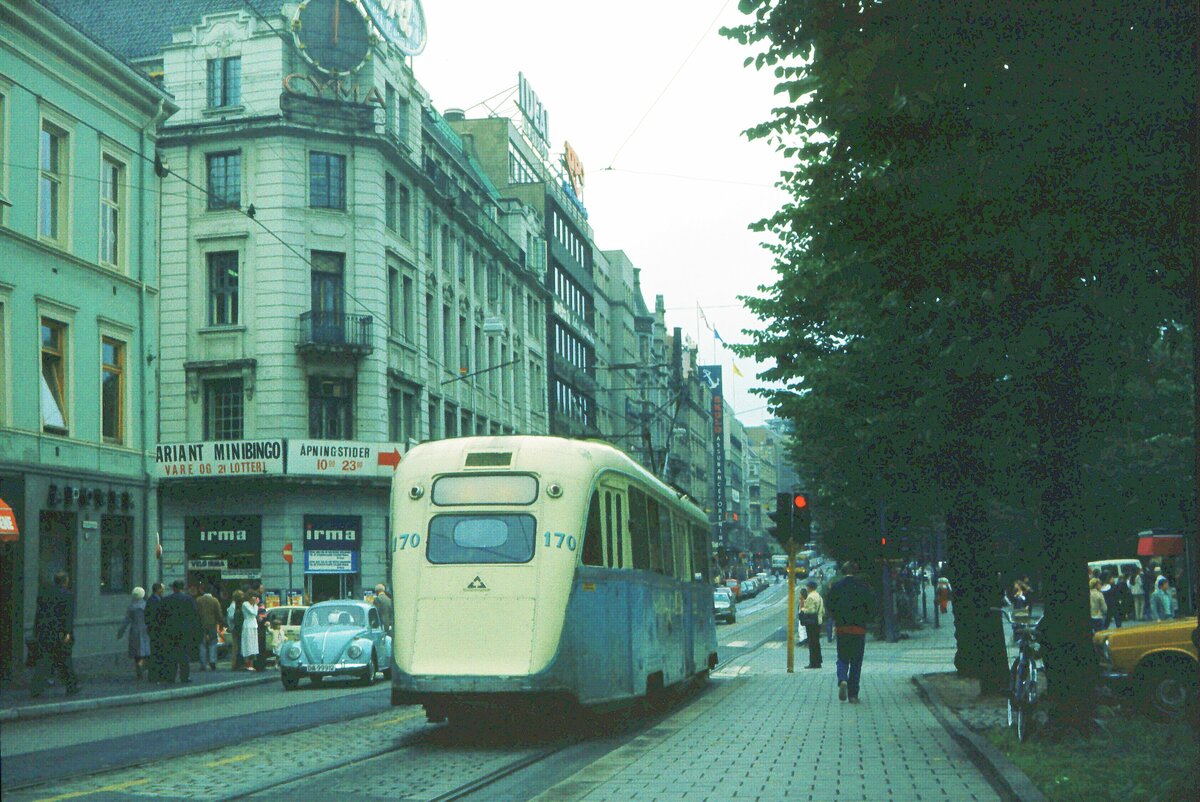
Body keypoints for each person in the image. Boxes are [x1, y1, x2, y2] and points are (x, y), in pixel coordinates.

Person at [827, 562, 873, 704]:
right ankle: (853, 694)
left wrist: (837, 620)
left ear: (843, 571)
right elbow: (871, 605)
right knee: (856, 661)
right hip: (859, 628)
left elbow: (830, 606)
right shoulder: (864, 587)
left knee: (842, 657)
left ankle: (842, 679)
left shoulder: (836, 587)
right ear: (856, 571)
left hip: (842, 628)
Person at [30, 571, 79, 698]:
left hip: (44, 632)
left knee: (44, 660)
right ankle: (71, 686)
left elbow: (38, 614)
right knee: (65, 659)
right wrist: (67, 633)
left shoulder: (44, 594)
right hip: (60, 633)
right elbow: (67, 616)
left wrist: (36, 631)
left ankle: (36, 688)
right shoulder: (68, 595)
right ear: (65, 581)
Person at [158, 579, 202, 683]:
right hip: (185, 631)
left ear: (173, 588)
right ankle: (184, 677)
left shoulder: (166, 600)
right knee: (184, 655)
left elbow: (161, 617)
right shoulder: (189, 600)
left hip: (170, 631)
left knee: (171, 654)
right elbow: (194, 617)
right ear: (183, 588)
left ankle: (171, 676)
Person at [116, 586, 151, 680]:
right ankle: (142, 666)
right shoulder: (146, 605)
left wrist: (120, 632)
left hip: (134, 630)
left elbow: (126, 621)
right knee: (145, 651)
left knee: (136, 652)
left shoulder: (131, 607)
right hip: (145, 630)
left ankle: (138, 668)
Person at [195, 585, 224, 671]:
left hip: (201, 624)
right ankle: (212, 661)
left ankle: (203, 664)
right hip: (212, 624)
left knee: (202, 643)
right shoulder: (215, 601)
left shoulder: (198, 600)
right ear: (212, 591)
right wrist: (221, 622)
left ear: (203, 591)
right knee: (213, 642)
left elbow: (195, 613)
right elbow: (219, 613)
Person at [144, 582, 166, 683]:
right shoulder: (154, 601)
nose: (163, 591)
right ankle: (155, 675)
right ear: (158, 590)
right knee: (156, 652)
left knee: (156, 652)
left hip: (154, 629)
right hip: (156, 630)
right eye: (162, 589)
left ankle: (155, 674)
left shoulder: (153, 599)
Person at [801, 580, 824, 669]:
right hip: (818, 621)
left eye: (807, 587)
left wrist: (803, 610)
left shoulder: (810, 597)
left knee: (812, 643)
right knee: (816, 642)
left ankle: (813, 663)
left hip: (812, 623)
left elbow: (810, 610)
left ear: (810, 587)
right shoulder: (818, 596)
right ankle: (818, 661)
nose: (806, 588)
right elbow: (822, 609)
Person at [240, 592, 260, 670]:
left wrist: (255, 605)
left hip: (254, 625)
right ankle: (247, 664)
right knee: (247, 645)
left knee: (253, 645)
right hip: (247, 626)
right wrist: (255, 605)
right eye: (254, 597)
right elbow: (254, 613)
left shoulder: (253, 605)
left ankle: (251, 664)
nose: (255, 599)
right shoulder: (245, 604)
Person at [227, 590, 245, 670]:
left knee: (238, 646)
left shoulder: (235, 605)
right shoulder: (234, 605)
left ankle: (237, 664)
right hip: (236, 628)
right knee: (237, 646)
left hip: (236, 627)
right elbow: (231, 617)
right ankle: (236, 664)